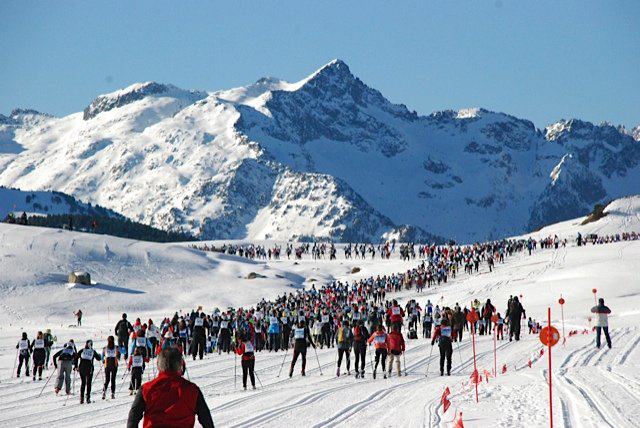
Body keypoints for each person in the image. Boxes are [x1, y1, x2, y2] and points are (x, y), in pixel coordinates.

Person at [127, 348, 214, 428]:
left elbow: (133, 417)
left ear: (158, 365)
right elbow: (206, 419)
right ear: (181, 365)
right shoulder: (192, 390)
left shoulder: (146, 389)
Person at [103, 335, 121, 400]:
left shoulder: (105, 348)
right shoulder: (116, 347)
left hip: (107, 365)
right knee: (113, 380)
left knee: (107, 380)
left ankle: (104, 392)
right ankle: (112, 394)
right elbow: (120, 354)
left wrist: (103, 360)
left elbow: (103, 356)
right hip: (114, 364)